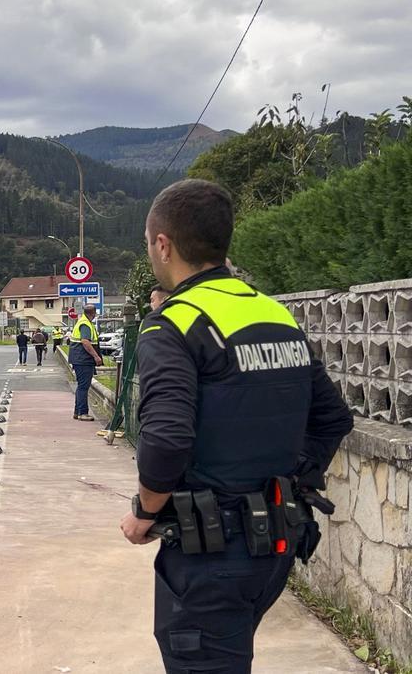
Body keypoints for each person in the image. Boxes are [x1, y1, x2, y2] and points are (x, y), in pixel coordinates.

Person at [119, 179, 353, 673]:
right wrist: (293, 482)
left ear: (162, 244)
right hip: (275, 545)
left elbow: (166, 439)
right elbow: (333, 418)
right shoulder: (274, 314)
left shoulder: (173, 325)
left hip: (210, 550)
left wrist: (144, 510)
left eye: (149, 243)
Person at [68, 304, 103, 421]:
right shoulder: (85, 324)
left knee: (81, 386)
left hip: (79, 359)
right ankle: (83, 413)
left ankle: (77, 412)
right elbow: (85, 342)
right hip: (83, 360)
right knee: (83, 387)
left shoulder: (83, 321)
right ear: (93, 313)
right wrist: (96, 356)